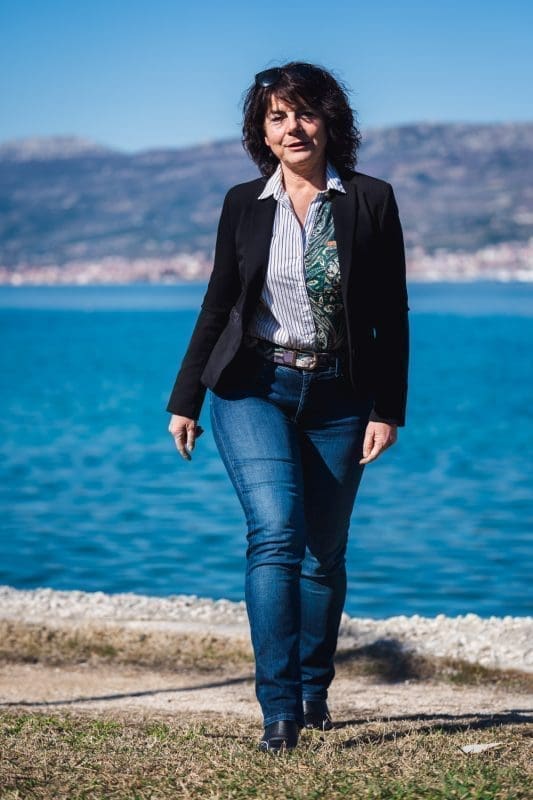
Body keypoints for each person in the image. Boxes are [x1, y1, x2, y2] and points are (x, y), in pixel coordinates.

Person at [166, 61, 410, 753]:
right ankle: (279, 711)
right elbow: (219, 303)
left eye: (305, 112)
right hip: (252, 388)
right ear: (262, 132)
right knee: (275, 532)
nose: (293, 127)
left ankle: (311, 688)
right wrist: (186, 398)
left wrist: (387, 409)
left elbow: (390, 314)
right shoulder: (244, 202)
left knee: (322, 554)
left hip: (340, 395)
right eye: (277, 116)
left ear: (329, 121)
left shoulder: (370, 199)